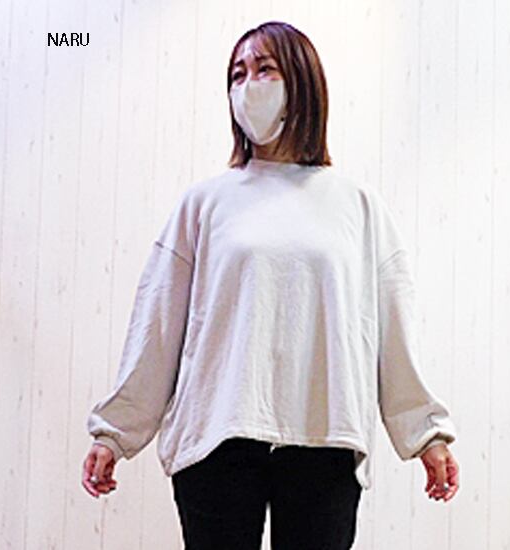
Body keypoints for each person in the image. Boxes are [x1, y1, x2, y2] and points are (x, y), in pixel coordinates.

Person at [82, 20, 460, 549]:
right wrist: (115, 433)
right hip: (217, 436)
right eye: (237, 74)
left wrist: (426, 434)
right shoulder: (205, 204)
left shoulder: (357, 206)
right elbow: (158, 324)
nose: (247, 85)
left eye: (264, 69)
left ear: (302, 82)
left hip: (325, 435)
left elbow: (393, 328)